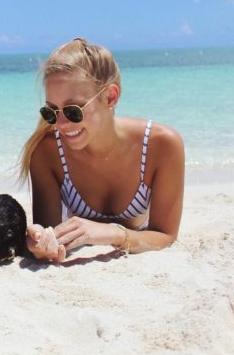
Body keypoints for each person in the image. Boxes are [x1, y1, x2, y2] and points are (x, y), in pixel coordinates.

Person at [20, 37, 184, 261]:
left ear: (110, 97)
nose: (60, 124)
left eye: (73, 111)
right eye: (51, 112)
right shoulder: (47, 153)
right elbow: (51, 239)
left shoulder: (162, 145)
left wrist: (113, 233)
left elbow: (165, 236)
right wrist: (41, 243)